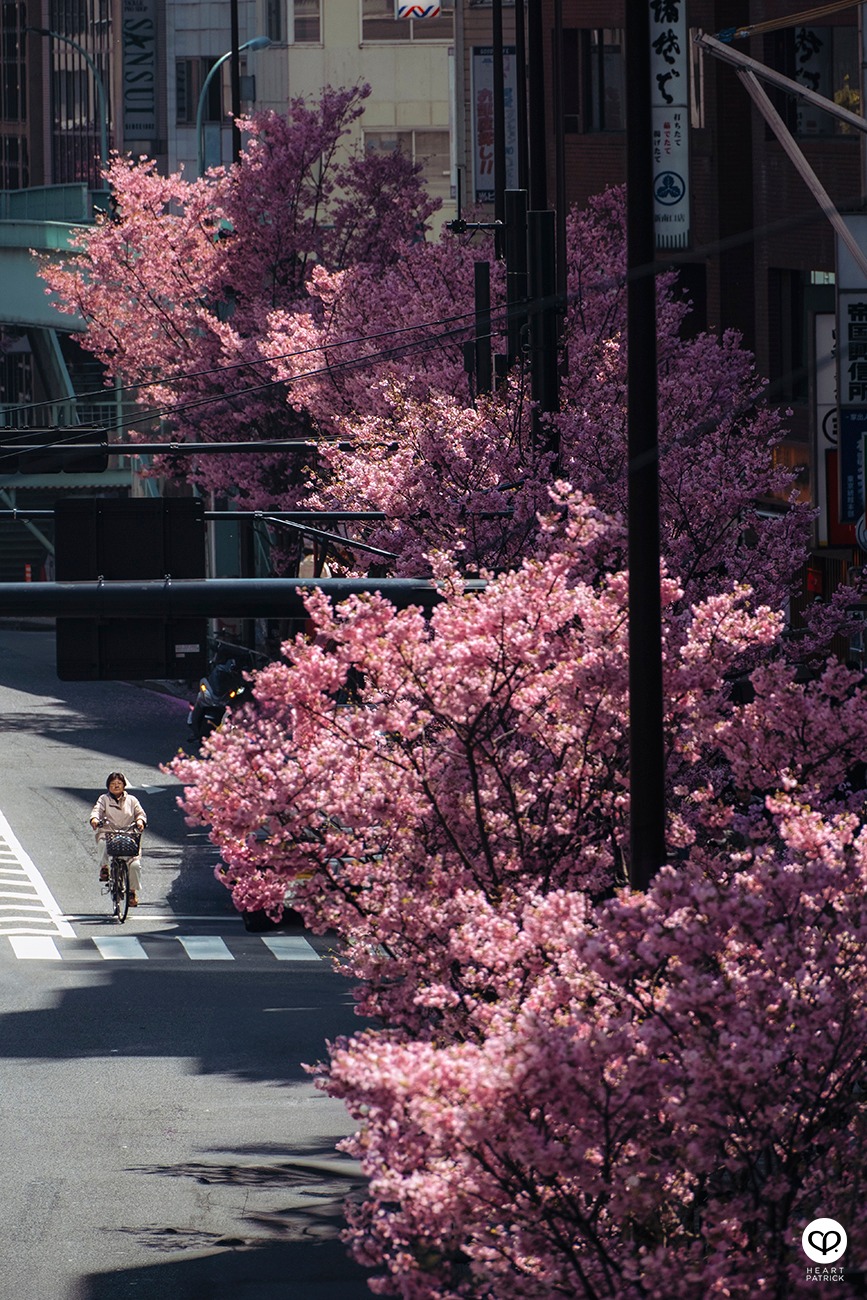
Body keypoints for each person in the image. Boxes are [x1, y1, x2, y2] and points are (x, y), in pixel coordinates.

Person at [89, 772, 147, 907]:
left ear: (124, 786)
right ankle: (104, 868)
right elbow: (96, 811)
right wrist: (95, 819)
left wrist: (140, 821)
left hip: (129, 835)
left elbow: (140, 813)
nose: (116, 786)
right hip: (109, 833)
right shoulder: (104, 799)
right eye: (113, 784)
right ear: (108, 786)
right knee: (103, 842)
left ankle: (132, 892)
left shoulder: (132, 800)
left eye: (119, 784)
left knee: (135, 865)